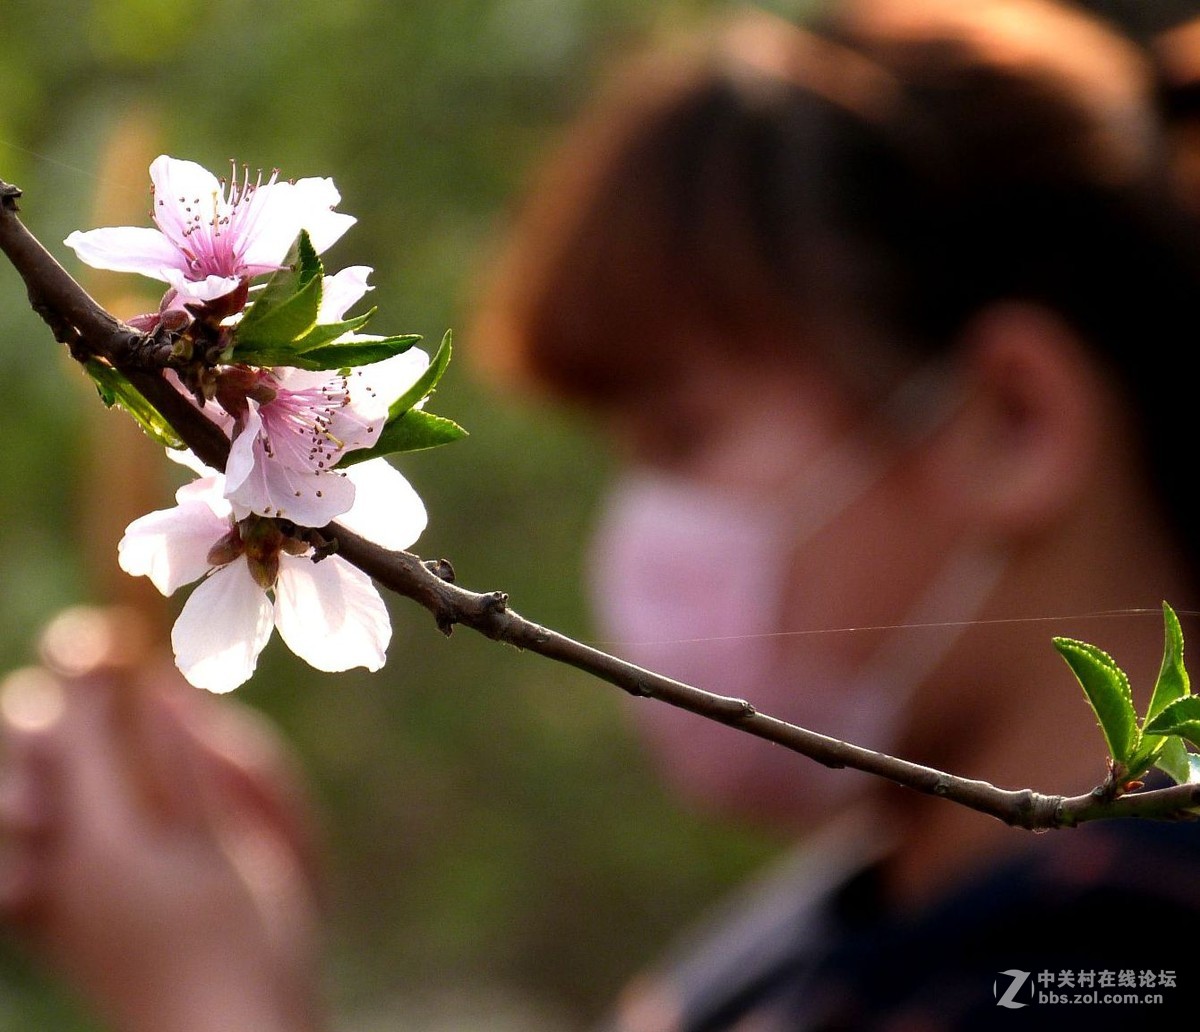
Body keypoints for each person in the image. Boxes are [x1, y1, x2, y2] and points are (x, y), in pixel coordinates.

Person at [4, 0, 1200, 1028]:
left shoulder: (1125, 948)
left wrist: (205, 1002)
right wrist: (258, 955)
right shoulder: (846, 916)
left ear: (1012, 421)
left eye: (684, 435)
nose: (636, 527)